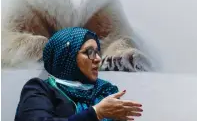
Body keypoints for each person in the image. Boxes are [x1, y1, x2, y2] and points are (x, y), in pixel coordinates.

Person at [15, 27, 143, 121]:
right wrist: (96, 113)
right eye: (90, 52)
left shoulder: (105, 92)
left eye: (98, 52)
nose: (98, 58)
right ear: (67, 57)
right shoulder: (39, 89)